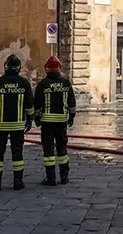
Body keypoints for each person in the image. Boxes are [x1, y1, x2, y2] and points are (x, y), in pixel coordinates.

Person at [0, 54, 34, 191]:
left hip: (1, 125)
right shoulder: (24, 83)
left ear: (6, 66)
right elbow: (29, 104)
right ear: (18, 67)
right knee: (17, 154)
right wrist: (30, 119)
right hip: (18, 125)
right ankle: (18, 181)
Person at [32, 56, 76, 186]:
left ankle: (50, 178)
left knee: (48, 150)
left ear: (47, 69)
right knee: (62, 148)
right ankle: (64, 177)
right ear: (59, 68)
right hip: (62, 121)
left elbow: (37, 104)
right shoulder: (65, 83)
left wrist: (36, 118)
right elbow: (71, 101)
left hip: (47, 122)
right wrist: (72, 116)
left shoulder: (43, 84)